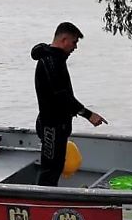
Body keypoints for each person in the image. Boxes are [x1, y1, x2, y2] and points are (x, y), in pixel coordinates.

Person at [31, 22, 107, 186]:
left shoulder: (56, 58)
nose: (75, 47)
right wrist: (88, 114)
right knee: (50, 169)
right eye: (74, 42)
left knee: (56, 166)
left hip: (59, 124)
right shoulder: (50, 61)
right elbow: (62, 95)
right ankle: (42, 198)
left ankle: (50, 195)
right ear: (64, 39)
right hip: (51, 125)